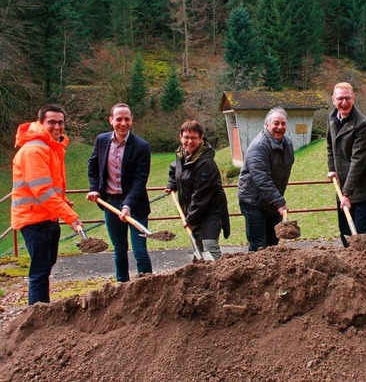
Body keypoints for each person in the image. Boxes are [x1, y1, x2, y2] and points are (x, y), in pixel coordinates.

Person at [11, 104, 83, 305]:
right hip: (33, 218)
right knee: (40, 271)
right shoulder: (34, 150)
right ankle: (37, 315)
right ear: (41, 122)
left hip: (47, 216)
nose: (57, 127)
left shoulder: (52, 148)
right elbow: (42, 191)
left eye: (60, 122)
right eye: (52, 122)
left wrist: (64, 204)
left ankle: (42, 310)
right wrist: (70, 216)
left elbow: (51, 187)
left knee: (45, 266)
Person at [87, 103, 152, 282]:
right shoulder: (101, 140)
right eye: (119, 119)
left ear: (132, 120)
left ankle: (147, 287)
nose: (123, 123)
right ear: (111, 121)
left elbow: (140, 180)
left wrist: (128, 205)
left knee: (140, 251)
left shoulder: (141, 146)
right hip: (110, 204)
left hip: (135, 206)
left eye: (127, 119)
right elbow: (92, 165)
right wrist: (94, 188)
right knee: (119, 250)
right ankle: (121, 287)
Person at [165, 120, 230, 259]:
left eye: (194, 138)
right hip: (193, 210)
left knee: (210, 247)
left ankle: (217, 277)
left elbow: (201, 195)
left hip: (210, 211)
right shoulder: (181, 154)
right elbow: (174, 170)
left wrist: (190, 218)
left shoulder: (206, 163)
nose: (189, 141)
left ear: (201, 138)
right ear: (180, 137)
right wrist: (172, 184)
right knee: (197, 248)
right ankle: (200, 278)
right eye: (186, 137)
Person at [326, 82, 366, 247]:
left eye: (347, 98)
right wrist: (332, 169)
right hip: (342, 182)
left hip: (362, 186)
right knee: (345, 230)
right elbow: (330, 145)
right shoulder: (332, 118)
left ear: (353, 98)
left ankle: (365, 266)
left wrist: (347, 194)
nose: (344, 102)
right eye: (340, 98)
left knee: (360, 230)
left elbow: (358, 162)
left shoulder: (362, 124)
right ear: (333, 100)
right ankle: (350, 262)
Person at [238, 107, 294, 252]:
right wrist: (279, 202)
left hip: (271, 200)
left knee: (273, 243)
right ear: (266, 124)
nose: (280, 127)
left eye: (283, 123)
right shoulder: (259, 146)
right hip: (253, 201)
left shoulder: (287, 144)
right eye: (276, 123)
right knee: (259, 246)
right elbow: (261, 179)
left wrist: (277, 200)